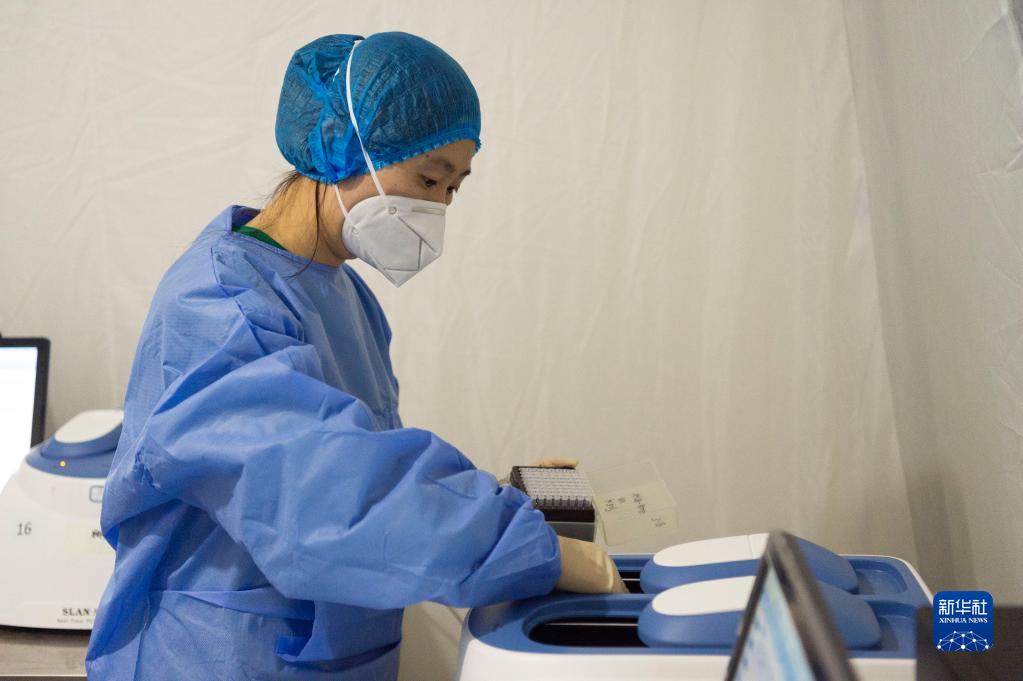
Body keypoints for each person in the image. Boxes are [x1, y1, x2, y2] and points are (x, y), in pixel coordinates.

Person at [85, 32, 625, 681]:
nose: (437, 206)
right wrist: (524, 544)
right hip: (220, 656)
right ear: (338, 147)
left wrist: (495, 499)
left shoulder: (340, 293)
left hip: (322, 650)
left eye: (454, 188)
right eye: (428, 178)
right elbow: (321, 496)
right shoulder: (222, 302)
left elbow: (358, 460)